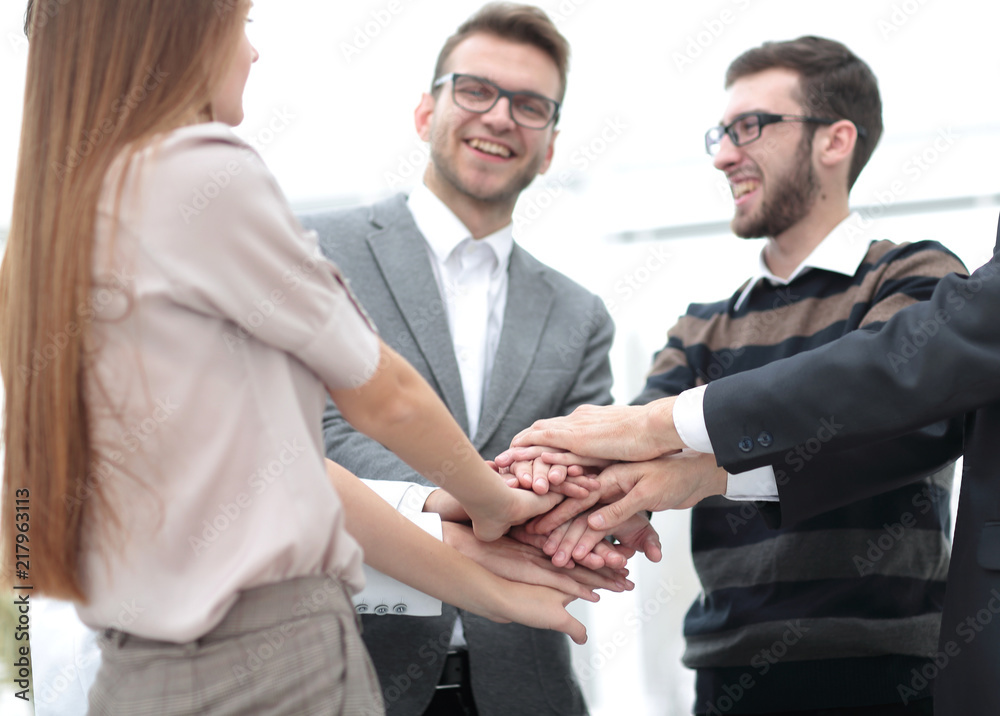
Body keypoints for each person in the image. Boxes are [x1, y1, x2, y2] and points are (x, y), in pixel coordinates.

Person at [0, 2, 595, 714]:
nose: (253, 53)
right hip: (276, 663)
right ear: (176, 32)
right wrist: (491, 501)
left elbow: (293, 473)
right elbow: (384, 397)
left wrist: (486, 588)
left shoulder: (42, 241)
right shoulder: (199, 175)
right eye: (242, 24)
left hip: (141, 674)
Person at [501, 36, 968, 715]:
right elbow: (633, 445)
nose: (723, 154)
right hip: (729, 677)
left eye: (750, 127)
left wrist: (708, 466)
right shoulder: (702, 328)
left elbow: (892, 435)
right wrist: (559, 481)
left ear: (835, 141)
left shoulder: (914, 279)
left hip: (890, 673)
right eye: (720, 132)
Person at [301, 5, 658, 715]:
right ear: (425, 110)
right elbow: (302, 433)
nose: (499, 116)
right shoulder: (315, 250)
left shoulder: (580, 314)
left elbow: (587, 470)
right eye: (475, 90)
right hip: (344, 676)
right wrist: (472, 494)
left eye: (530, 105)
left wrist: (571, 487)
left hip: (524, 687)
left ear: (550, 147)